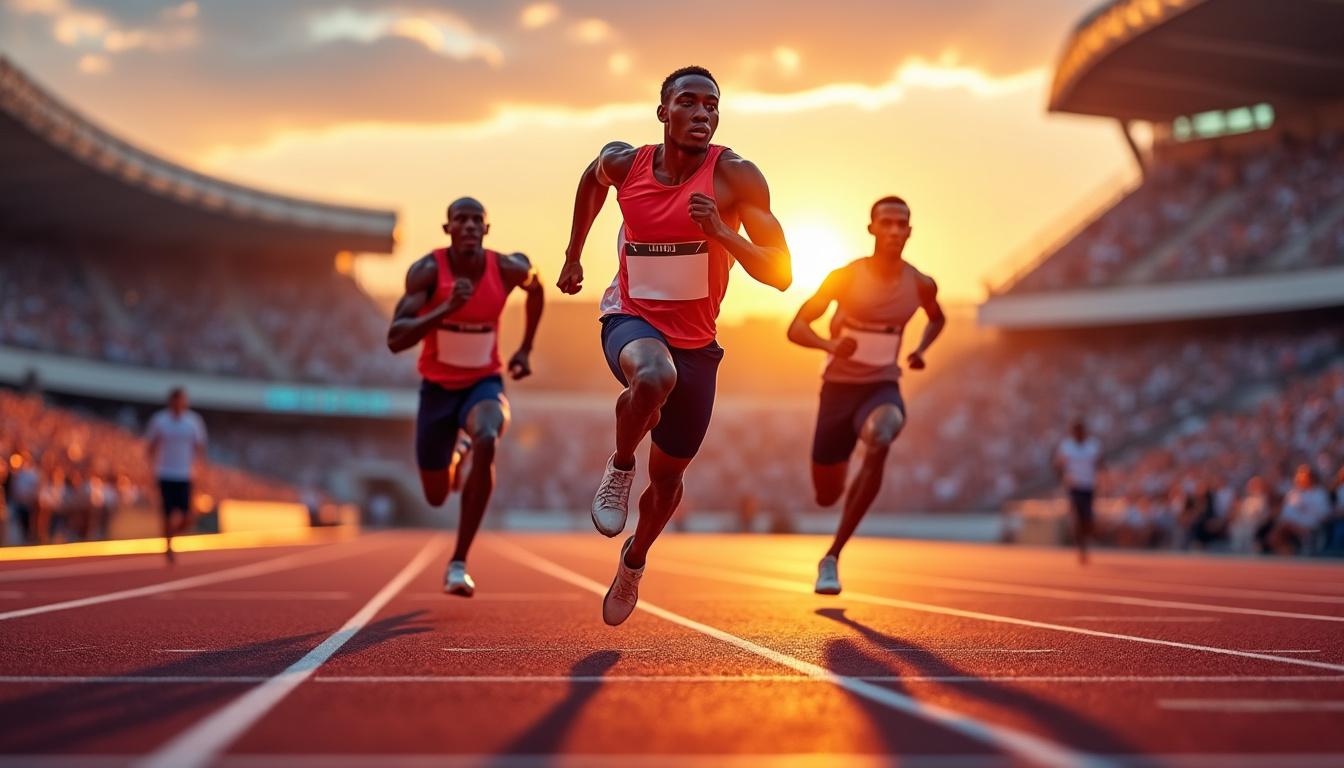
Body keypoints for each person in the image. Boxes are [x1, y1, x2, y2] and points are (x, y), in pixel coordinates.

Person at [557, 65, 791, 625]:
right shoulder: (625, 163)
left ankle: (634, 560)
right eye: (689, 102)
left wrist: (723, 233)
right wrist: (573, 254)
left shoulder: (736, 177)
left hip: (698, 343)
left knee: (666, 483)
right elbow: (592, 178)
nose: (702, 113)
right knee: (654, 376)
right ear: (663, 112)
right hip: (631, 318)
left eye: (712, 105)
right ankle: (620, 467)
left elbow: (781, 273)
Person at [786, 196, 944, 594]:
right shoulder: (844, 277)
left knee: (883, 435)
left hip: (882, 386)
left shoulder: (921, 283)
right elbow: (796, 328)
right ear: (871, 228)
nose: (894, 230)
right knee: (827, 495)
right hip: (837, 391)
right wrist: (829, 345)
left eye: (901, 224)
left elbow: (937, 319)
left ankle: (832, 556)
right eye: (886, 222)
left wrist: (920, 350)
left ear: (910, 231)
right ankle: (840, 487)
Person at [387, 197, 544, 597]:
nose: (470, 225)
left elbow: (536, 285)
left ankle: (458, 562)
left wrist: (525, 348)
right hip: (437, 392)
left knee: (488, 436)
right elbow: (396, 338)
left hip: (483, 383)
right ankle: (457, 451)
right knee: (437, 496)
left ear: (486, 229)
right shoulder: (427, 272)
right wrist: (445, 308)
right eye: (462, 219)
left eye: (477, 220)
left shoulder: (506, 268)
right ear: (448, 229)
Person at [145, 387, 207, 562]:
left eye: (182, 401)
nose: (179, 404)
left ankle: (171, 534)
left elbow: (200, 447)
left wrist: (201, 470)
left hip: (185, 474)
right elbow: (151, 446)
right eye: (176, 400)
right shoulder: (159, 420)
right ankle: (168, 545)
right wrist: (150, 469)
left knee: (188, 516)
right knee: (167, 513)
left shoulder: (193, 422)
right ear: (170, 402)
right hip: (165, 473)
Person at [1054, 419, 1102, 564]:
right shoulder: (1067, 446)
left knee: (1088, 517)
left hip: (1089, 486)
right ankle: (1081, 547)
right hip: (1074, 486)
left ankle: (1086, 538)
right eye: (1075, 432)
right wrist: (1063, 478)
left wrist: (1100, 479)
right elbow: (1058, 464)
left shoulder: (1092, 445)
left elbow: (1099, 463)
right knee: (1078, 516)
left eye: (1080, 432)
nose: (1078, 434)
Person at [1268, 464, 1331, 555]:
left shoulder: (1320, 493)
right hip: (1290, 525)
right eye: (1299, 477)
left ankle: (1308, 545)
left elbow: (1324, 513)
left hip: (1311, 526)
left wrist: (1305, 518)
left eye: (1304, 477)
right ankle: (1289, 555)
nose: (1300, 479)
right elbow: (1286, 512)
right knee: (1274, 536)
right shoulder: (1293, 493)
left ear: (1311, 478)